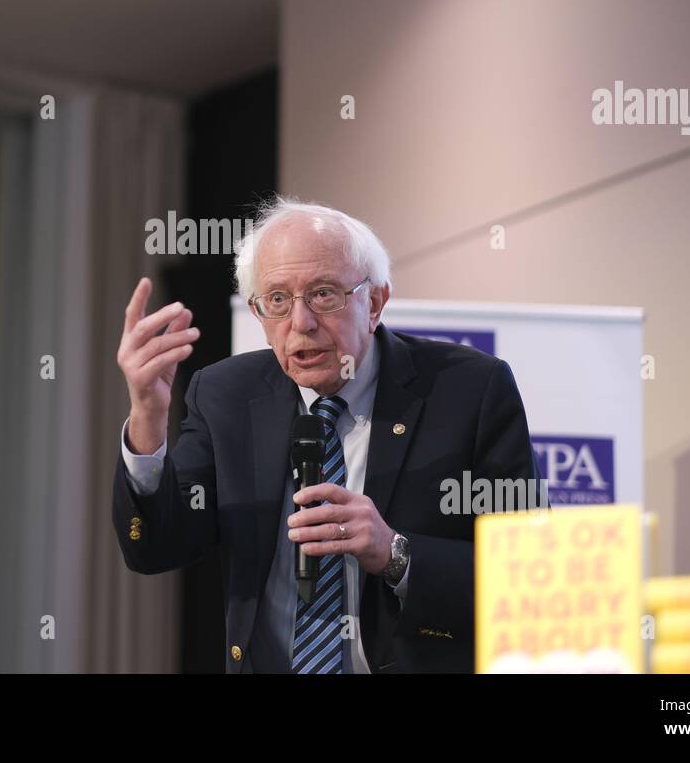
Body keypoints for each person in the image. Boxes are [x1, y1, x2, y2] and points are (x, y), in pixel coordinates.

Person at [112, 197, 541, 672]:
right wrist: (148, 418)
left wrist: (395, 553)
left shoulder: (469, 391)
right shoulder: (226, 395)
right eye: (277, 300)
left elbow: (526, 581)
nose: (301, 323)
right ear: (258, 313)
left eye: (323, 294)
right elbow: (155, 547)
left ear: (374, 302)